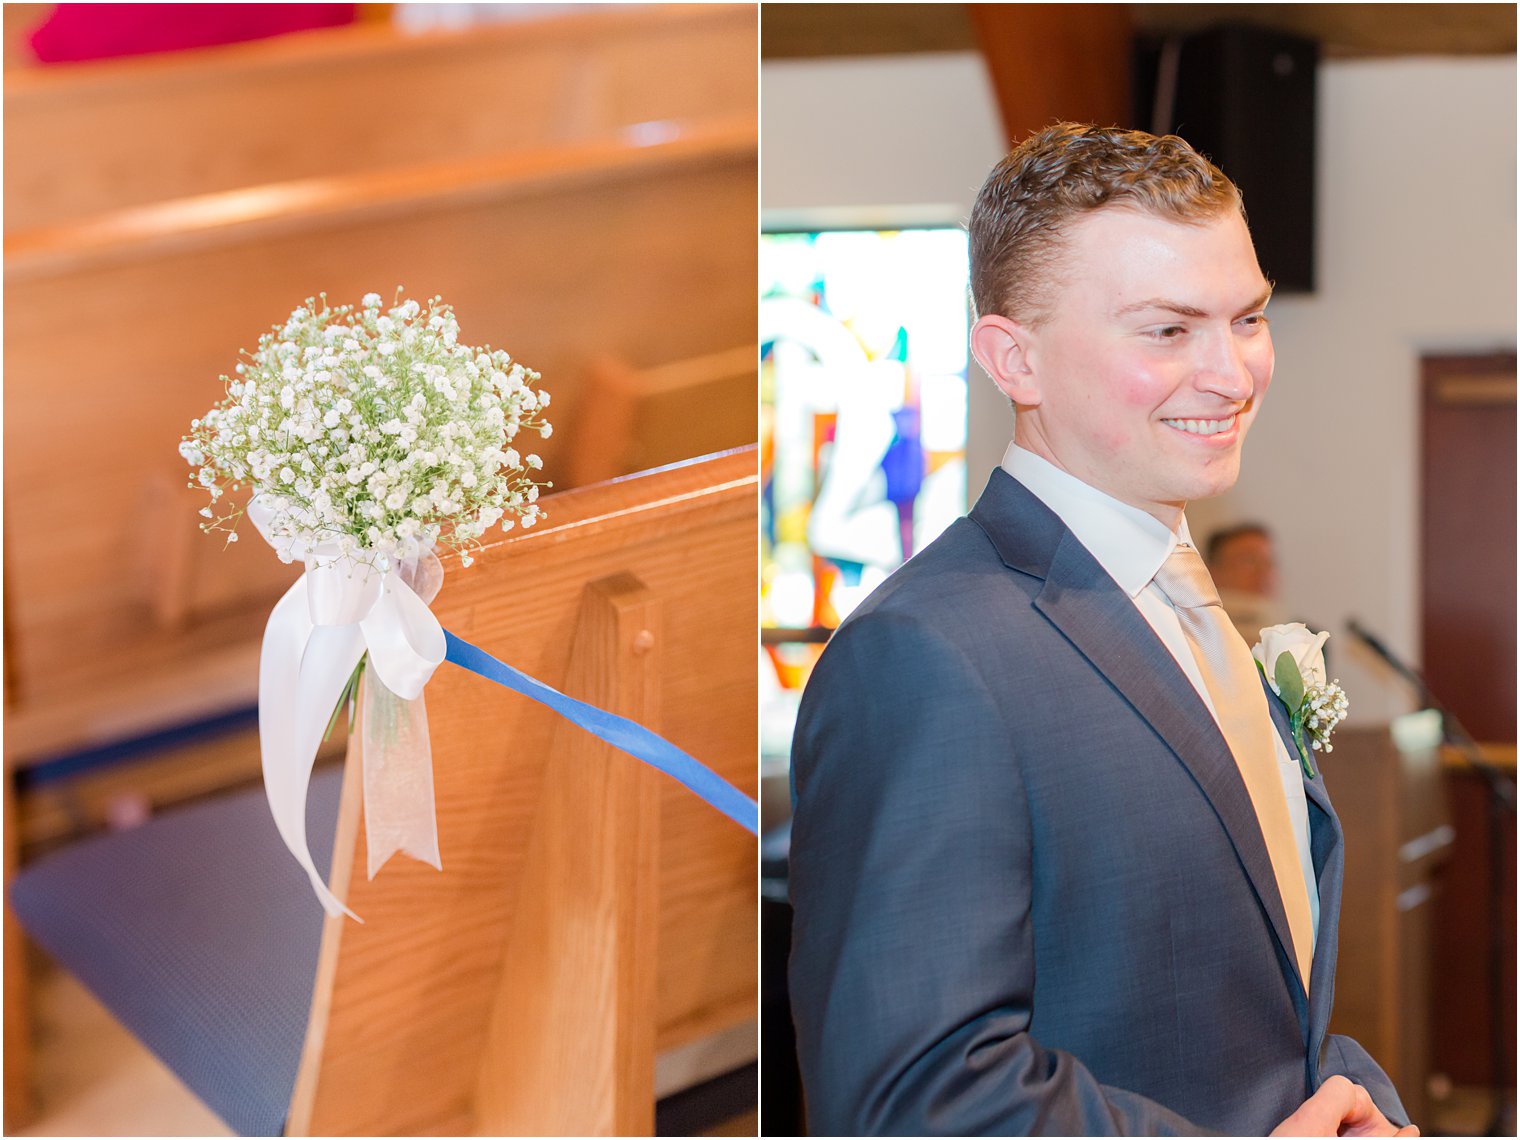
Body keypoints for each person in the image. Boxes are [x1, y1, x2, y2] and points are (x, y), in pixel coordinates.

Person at [787, 124, 1412, 1136]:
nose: (1231, 373)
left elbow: (1254, 995)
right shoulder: (926, 656)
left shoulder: (1182, 601)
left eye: (1245, 318)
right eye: (1166, 331)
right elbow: (911, 1100)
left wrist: (1353, 1105)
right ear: (1012, 358)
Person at [1207, 523, 1290, 645]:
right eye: (1249, 561)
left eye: (1269, 562)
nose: (1263, 571)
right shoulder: (1196, 634)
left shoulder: (1308, 641)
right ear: (1212, 572)